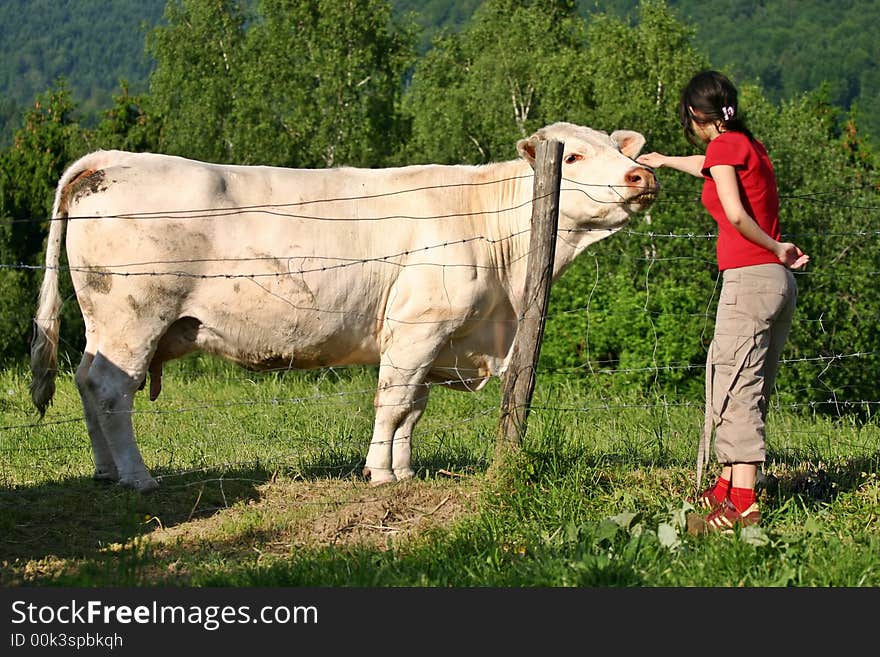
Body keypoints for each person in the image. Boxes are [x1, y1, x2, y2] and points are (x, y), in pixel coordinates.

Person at [636, 70, 810, 533]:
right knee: (742, 382)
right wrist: (665, 160)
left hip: (751, 277)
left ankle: (743, 506)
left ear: (696, 114)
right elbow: (709, 165)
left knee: (735, 387)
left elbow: (733, 211)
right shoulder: (747, 147)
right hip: (775, 283)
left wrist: (775, 247)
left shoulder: (724, 148)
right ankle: (727, 485)